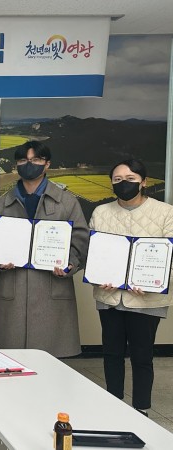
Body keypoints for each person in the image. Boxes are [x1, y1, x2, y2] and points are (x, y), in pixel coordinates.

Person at [0, 141, 88, 358]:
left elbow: (81, 240)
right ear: (16, 165)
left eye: (36, 160)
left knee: (51, 364)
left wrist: (70, 263)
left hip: (52, 288)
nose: (29, 164)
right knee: (15, 363)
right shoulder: (2, 204)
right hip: (15, 288)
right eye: (23, 160)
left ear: (47, 164)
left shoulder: (67, 202)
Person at [89, 158, 173, 416]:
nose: (123, 184)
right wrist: (97, 276)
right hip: (110, 296)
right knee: (111, 353)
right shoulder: (101, 212)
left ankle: (141, 409)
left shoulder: (165, 212)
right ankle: (113, 406)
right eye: (117, 180)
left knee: (142, 356)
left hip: (147, 299)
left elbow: (170, 258)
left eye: (130, 179)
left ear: (143, 182)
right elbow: (94, 253)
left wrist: (151, 281)